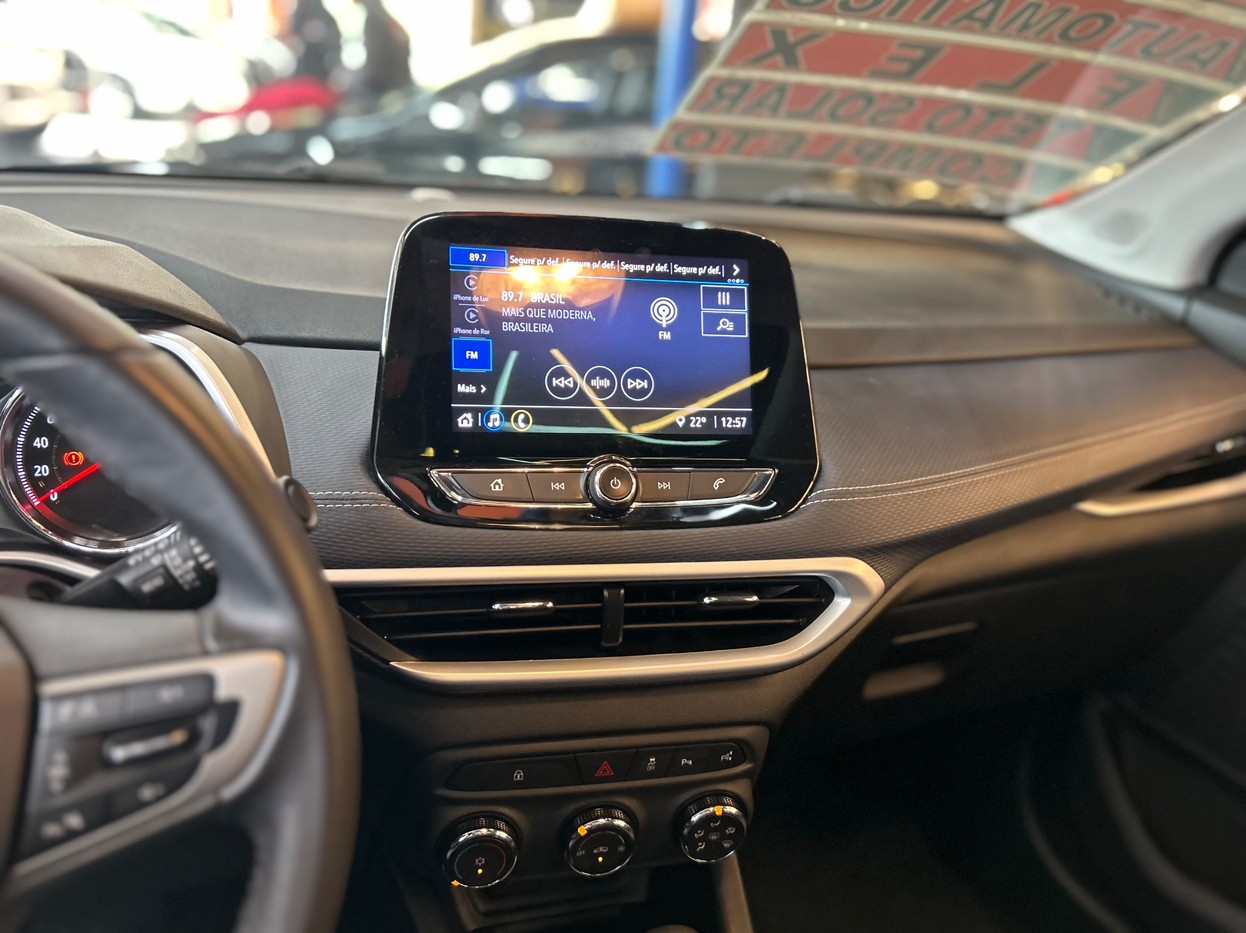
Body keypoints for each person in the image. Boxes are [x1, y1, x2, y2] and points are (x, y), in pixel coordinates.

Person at [355, 0, 413, 98]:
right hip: (400, 83)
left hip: (391, 87)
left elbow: (376, 59)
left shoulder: (374, 21)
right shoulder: (384, 19)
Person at [289, 0, 342, 84]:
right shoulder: (298, 16)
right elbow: (293, 40)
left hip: (323, 74)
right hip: (302, 75)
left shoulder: (325, 17)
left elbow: (335, 44)